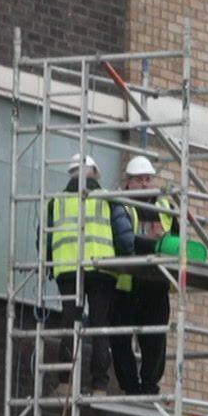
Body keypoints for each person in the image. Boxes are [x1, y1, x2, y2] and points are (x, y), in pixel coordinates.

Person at [46, 152, 131, 396]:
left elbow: (45, 238)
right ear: (93, 172)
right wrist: (127, 260)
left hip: (68, 269)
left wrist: (49, 265)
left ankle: (66, 383)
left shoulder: (56, 201)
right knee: (99, 325)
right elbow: (124, 236)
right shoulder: (107, 198)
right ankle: (99, 386)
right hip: (102, 270)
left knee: (70, 321)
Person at [111, 155, 172, 396]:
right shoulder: (122, 203)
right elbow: (125, 241)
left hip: (156, 283)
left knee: (155, 338)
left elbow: (178, 239)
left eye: (148, 179)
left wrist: (164, 240)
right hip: (129, 283)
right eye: (140, 179)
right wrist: (154, 242)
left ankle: (149, 386)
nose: (146, 184)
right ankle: (130, 386)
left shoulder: (165, 206)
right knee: (120, 337)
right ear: (129, 182)